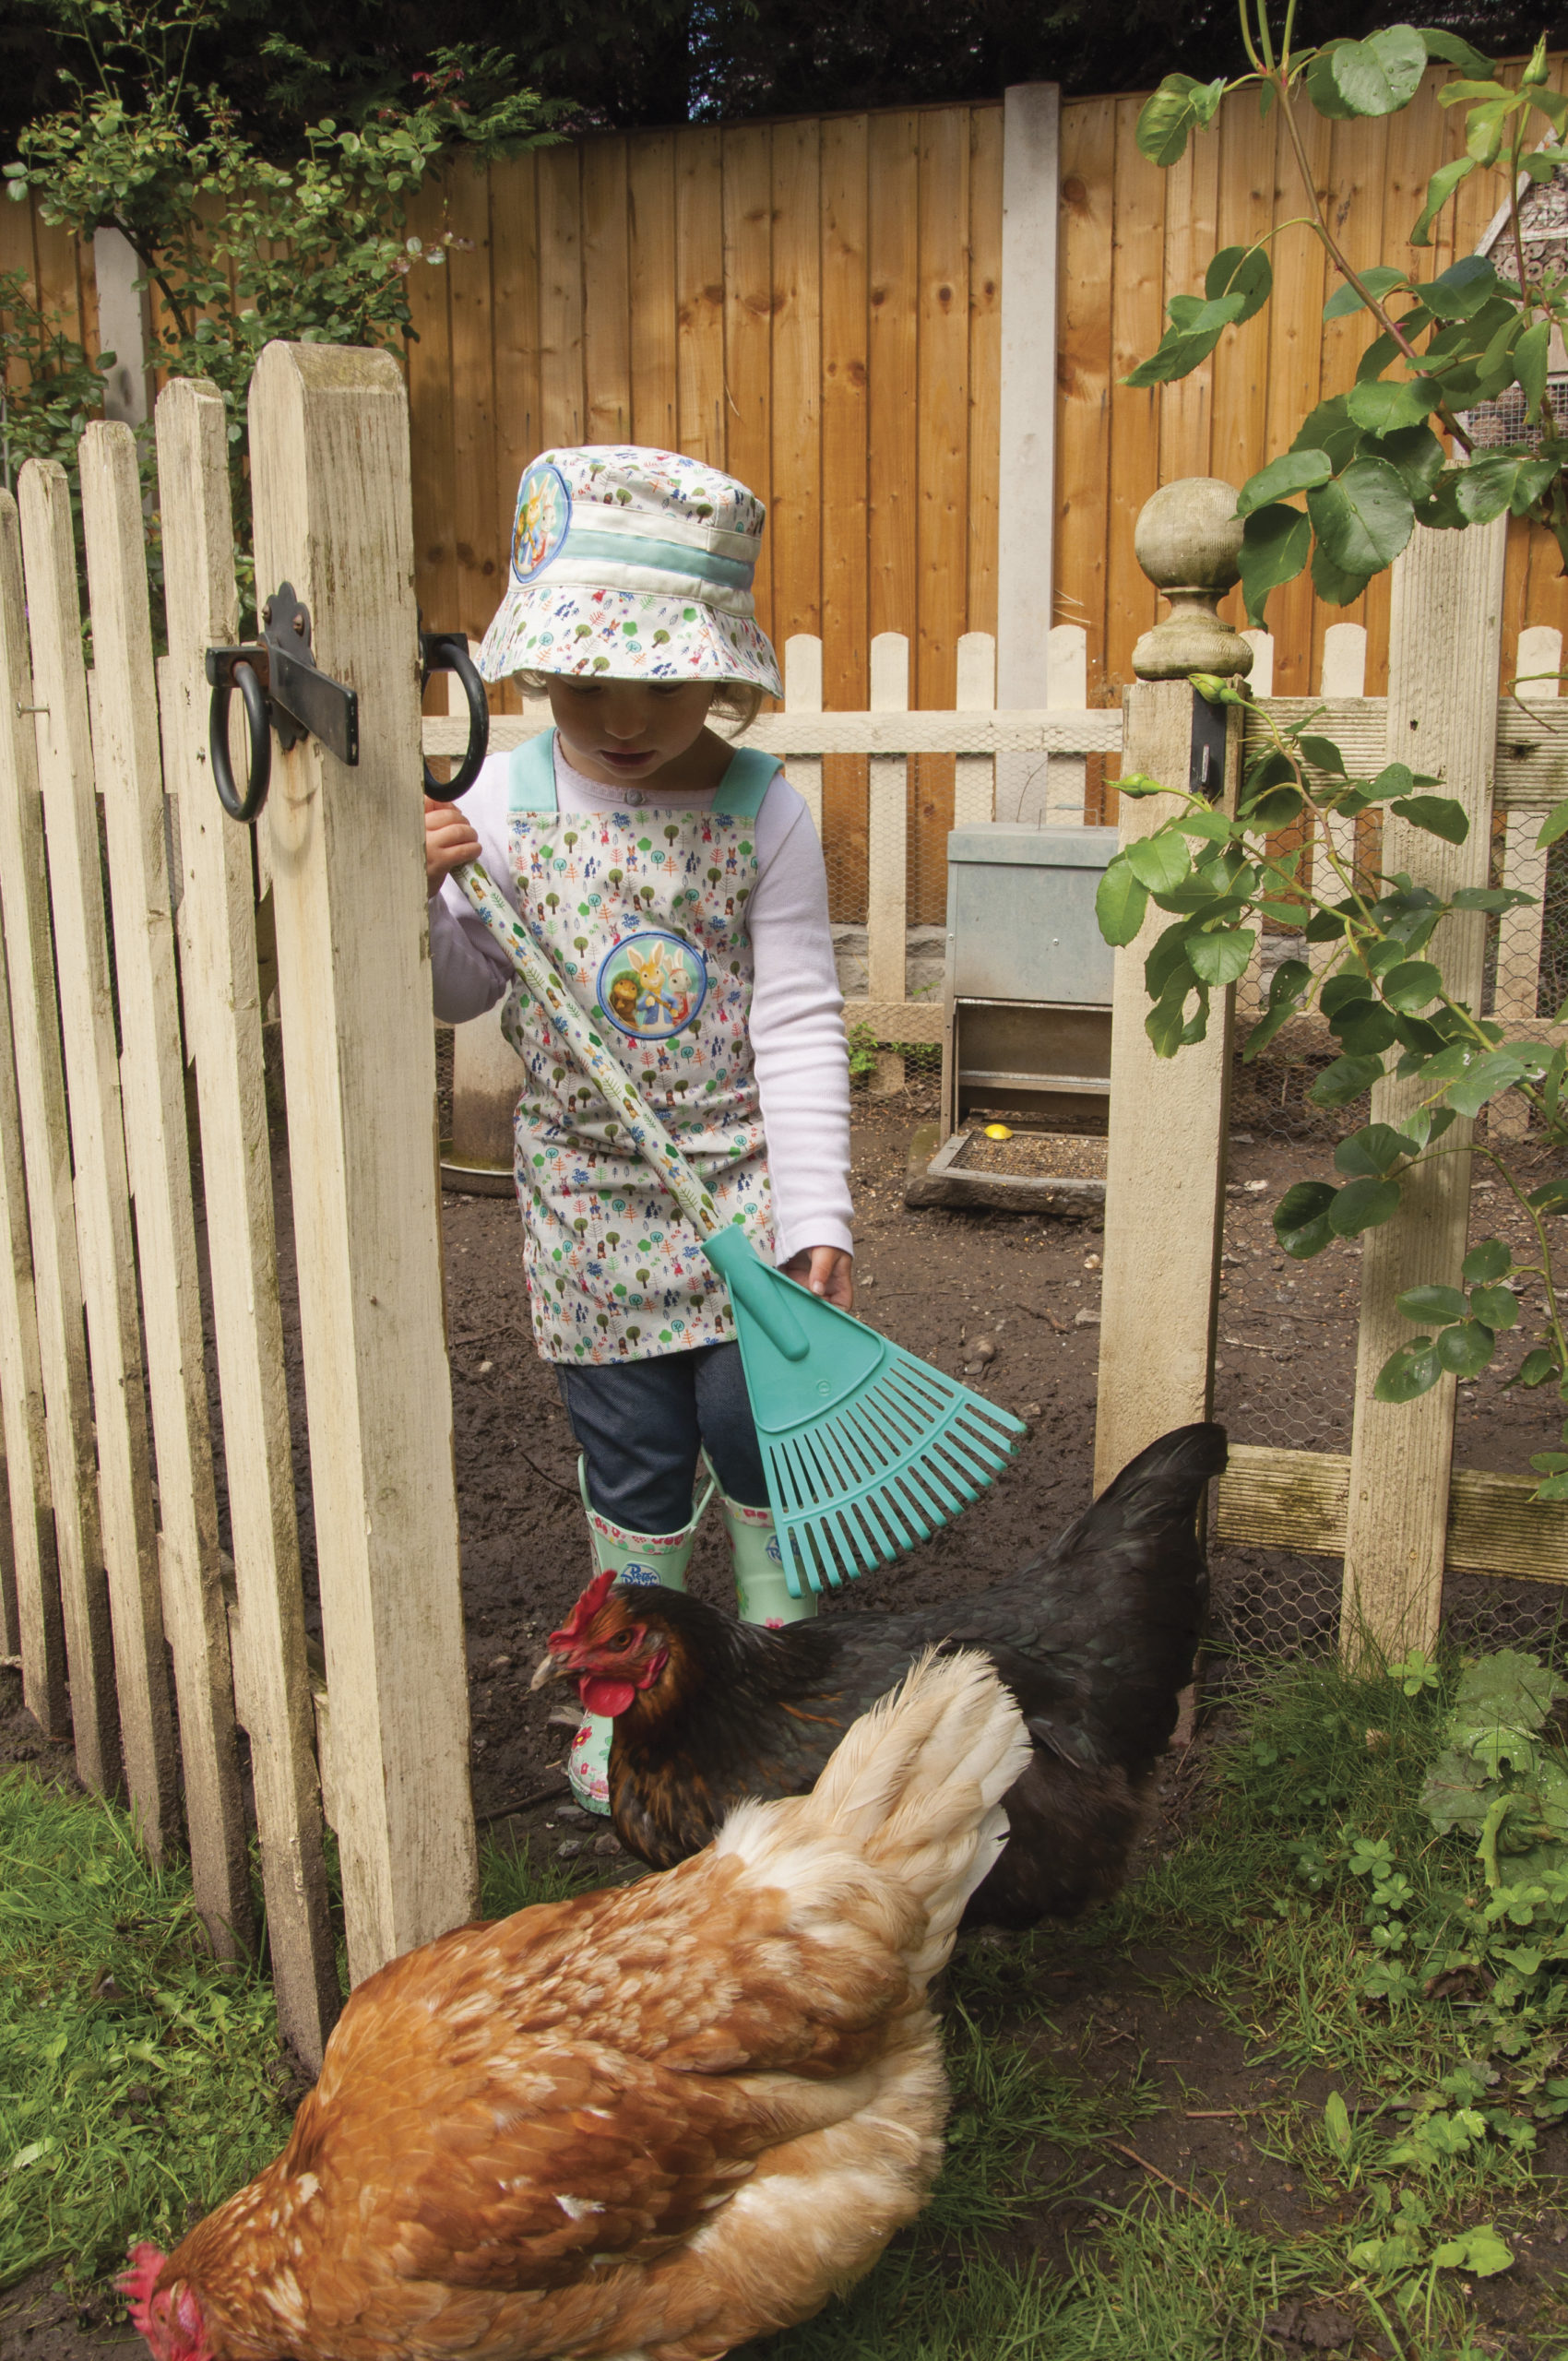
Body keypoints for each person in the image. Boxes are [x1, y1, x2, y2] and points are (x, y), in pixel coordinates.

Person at [424, 445, 854, 1812]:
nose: (618, 713)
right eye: (584, 681)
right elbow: (460, 990)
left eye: (659, 682)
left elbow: (795, 1020)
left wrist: (820, 1215)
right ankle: (640, 1691)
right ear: (541, 671)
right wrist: (422, 901)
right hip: (588, 1206)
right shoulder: (503, 805)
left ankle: (775, 1664)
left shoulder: (760, 809)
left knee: (754, 1429)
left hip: (739, 1197)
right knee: (635, 1458)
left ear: (718, 674)